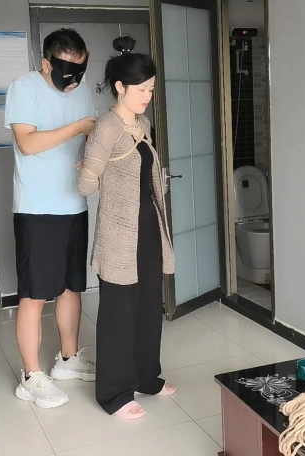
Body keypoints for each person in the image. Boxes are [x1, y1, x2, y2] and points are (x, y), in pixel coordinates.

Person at [77, 36, 177, 419]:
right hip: (119, 233)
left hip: (148, 226)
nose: (148, 96)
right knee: (119, 312)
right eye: (141, 89)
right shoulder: (106, 127)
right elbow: (86, 186)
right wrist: (92, 166)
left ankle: (146, 376)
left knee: (149, 305)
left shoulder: (142, 123)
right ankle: (115, 393)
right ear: (120, 87)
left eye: (151, 89)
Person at [4, 28, 97, 409]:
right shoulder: (24, 88)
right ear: (46, 64)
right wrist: (78, 128)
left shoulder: (84, 91)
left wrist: (88, 152)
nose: (73, 80)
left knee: (72, 287)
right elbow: (27, 143)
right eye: (66, 72)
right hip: (37, 208)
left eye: (80, 71)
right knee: (35, 294)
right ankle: (31, 376)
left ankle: (68, 360)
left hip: (74, 204)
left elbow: (88, 139)